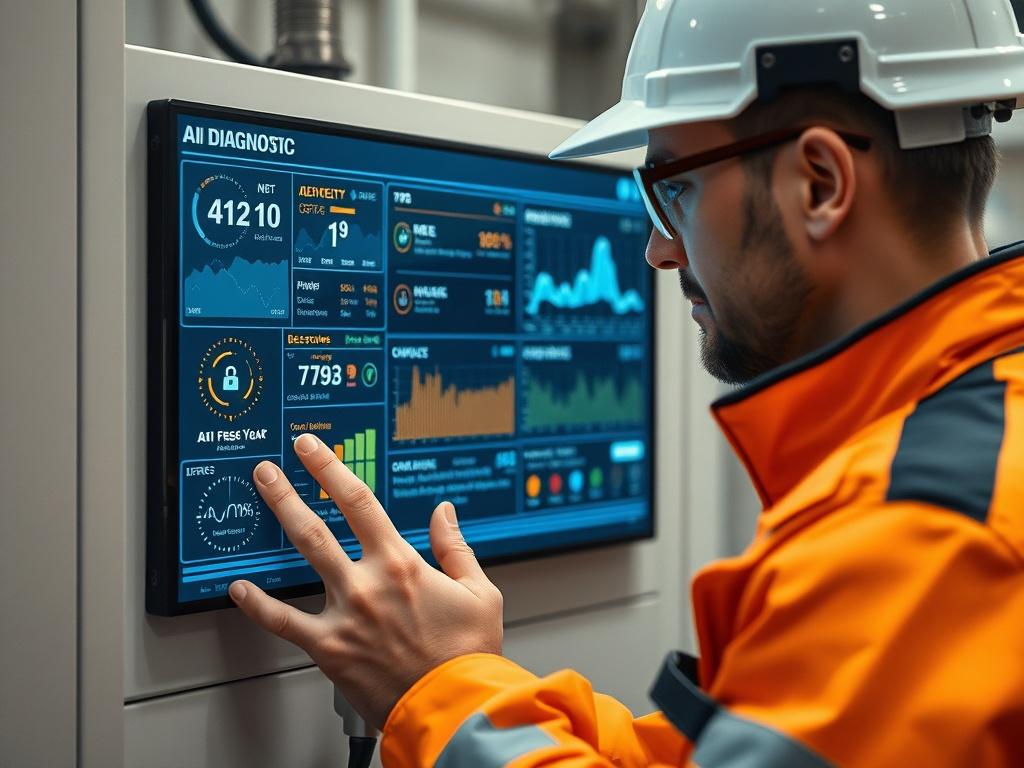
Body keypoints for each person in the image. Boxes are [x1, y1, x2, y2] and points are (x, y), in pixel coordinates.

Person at [229, 1, 1024, 765]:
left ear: (819, 182)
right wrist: (458, 683)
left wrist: (434, 692)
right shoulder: (973, 447)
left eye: (674, 188)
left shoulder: (924, 535)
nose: (658, 251)